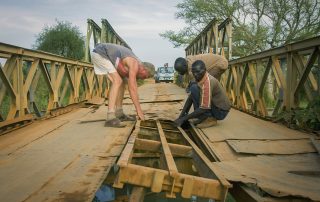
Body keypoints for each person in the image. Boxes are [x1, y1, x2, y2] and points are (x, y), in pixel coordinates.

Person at [91, 43, 148, 128]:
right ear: (144, 68)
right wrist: (139, 111)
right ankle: (110, 118)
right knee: (117, 81)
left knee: (122, 81)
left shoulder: (133, 60)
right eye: (145, 76)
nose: (142, 78)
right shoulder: (135, 63)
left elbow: (131, 84)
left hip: (104, 54)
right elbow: (132, 89)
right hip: (100, 53)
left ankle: (119, 113)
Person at [174, 60, 231, 128]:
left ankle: (209, 119)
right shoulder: (199, 78)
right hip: (215, 106)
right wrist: (181, 116)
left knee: (194, 88)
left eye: (198, 71)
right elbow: (190, 98)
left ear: (205, 70)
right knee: (194, 88)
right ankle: (202, 117)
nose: (195, 74)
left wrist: (184, 119)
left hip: (220, 111)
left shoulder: (208, 82)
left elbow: (204, 108)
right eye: (193, 72)